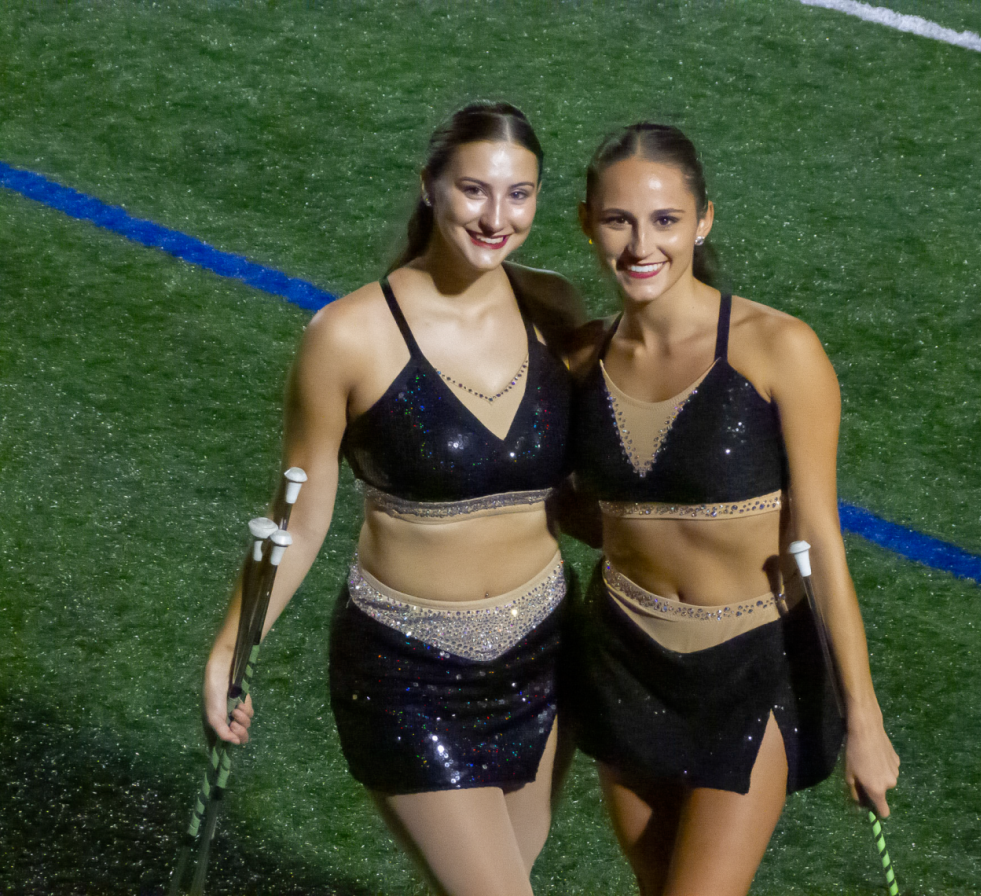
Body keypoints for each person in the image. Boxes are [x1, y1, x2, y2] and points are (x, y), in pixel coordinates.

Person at [202, 101, 585, 896]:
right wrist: (230, 651)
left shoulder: (553, 309)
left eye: (520, 194)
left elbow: (589, 489)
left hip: (546, 662)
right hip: (409, 678)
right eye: (474, 191)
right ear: (429, 186)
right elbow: (296, 519)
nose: (497, 216)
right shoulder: (347, 336)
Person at [564, 122, 900, 896]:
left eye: (665, 221)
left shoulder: (779, 350)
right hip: (622, 660)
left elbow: (819, 535)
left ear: (703, 220)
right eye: (618, 220)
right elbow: (548, 494)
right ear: (587, 222)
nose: (641, 244)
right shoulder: (580, 358)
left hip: (754, 665)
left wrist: (864, 719)